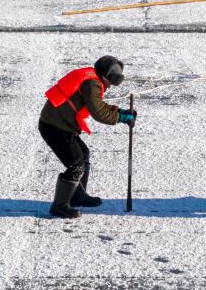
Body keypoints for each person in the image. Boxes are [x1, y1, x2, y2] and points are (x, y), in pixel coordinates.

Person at [39, 55, 136, 219]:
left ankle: (77, 196)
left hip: (62, 125)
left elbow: (98, 105)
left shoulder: (92, 79)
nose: (109, 87)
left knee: (83, 154)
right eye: (110, 82)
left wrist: (120, 112)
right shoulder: (91, 84)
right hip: (53, 127)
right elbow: (98, 112)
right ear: (105, 76)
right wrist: (121, 118)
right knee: (76, 163)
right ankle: (59, 207)